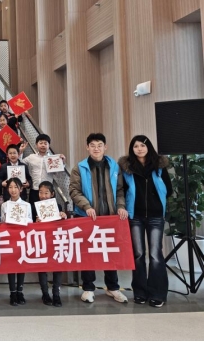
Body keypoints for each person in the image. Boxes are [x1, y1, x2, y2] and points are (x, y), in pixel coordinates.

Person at [69, 132, 128, 304]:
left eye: (99, 145)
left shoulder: (114, 166)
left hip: (110, 217)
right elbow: (74, 191)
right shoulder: (79, 168)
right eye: (93, 145)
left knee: (110, 252)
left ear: (105, 147)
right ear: (87, 147)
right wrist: (86, 206)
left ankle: (113, 287)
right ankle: (88, 288)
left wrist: (121, 206)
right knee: (88, 253)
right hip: (87, 218)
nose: (96, 148)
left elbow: (120, 190)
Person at [118, 135, 173, 308]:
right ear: (132, 149)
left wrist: (156, 199)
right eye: (136, 146)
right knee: (138, 254)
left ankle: (157, 293)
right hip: (135, 216)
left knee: (156, 255)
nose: (139, 149)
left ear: (148, 147)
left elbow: (169, 190)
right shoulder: (127, 168)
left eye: (142, 145)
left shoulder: (159, 166)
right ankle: (140, 292)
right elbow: (122, 190)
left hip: (156, 215)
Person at [0, 178, 31, 306]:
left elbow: (30, 221)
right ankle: (12, 292)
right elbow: (2, 222)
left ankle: (20, 291)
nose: (13, 190)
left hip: (22, 238)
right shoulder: (4, 205)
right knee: (11, 265)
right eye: (10, 187)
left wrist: (21, 219)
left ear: (21, 189)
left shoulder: (26, 205)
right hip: (10, 238)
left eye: (16, 187)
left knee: (21, 264)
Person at [35, 181, 67, 307]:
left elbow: (63, 222)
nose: (43, 196)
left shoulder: (57, 206)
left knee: (57, 266)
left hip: (55, 240)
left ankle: (56, 294)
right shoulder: (35, 206)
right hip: (41, 241)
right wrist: (35, 222)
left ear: (52, 194)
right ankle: (45, 293)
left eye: (46, 193)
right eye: (40, 192)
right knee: (42, 267)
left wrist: (63, 215)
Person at [22, 134, 65, 205]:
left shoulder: (53, 159)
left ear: (48, 145)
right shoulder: (31, 157)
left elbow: (58, 174)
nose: (43, 145)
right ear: (36, 145)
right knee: (34, 210)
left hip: (48, 192)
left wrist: (61, 163)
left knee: (48, 210)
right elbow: (20, 164)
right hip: (34, 190)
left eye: (45, 143)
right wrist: (20, 151)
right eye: (41, 143)